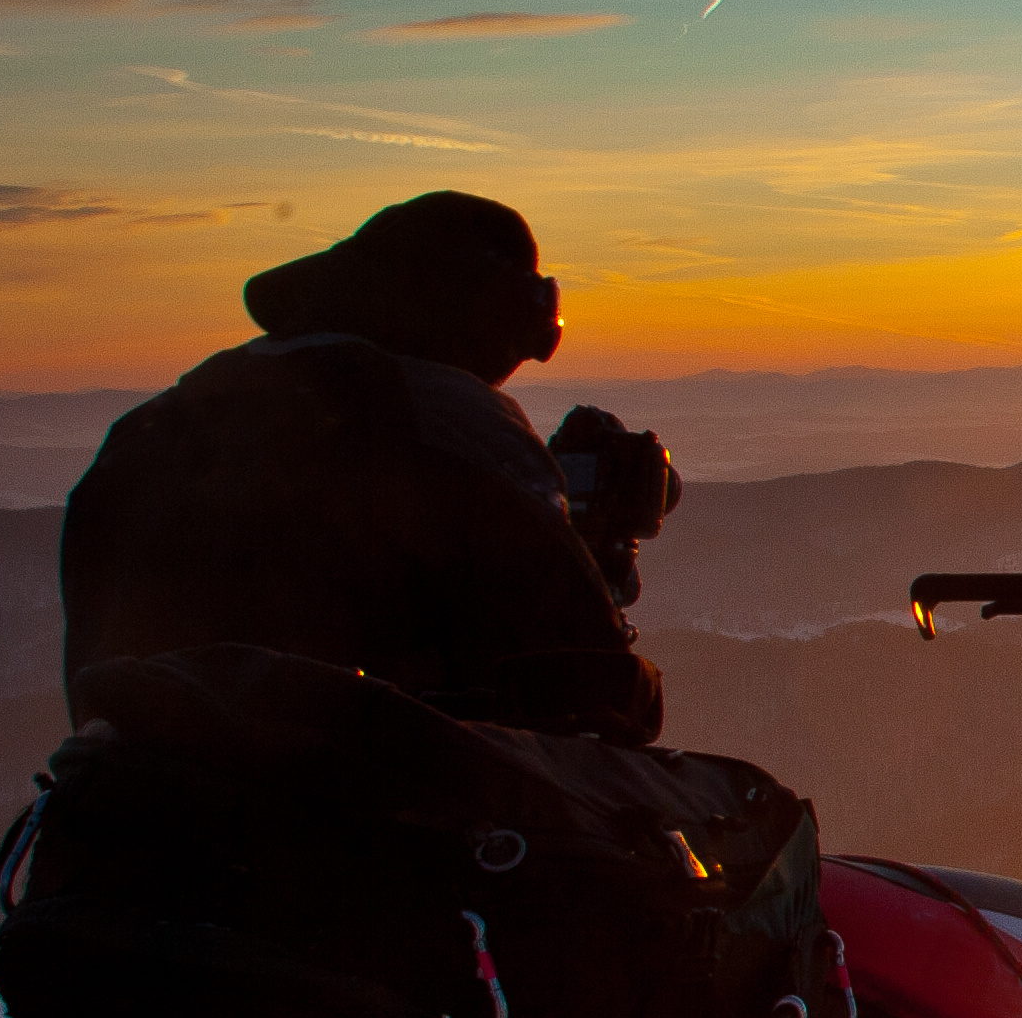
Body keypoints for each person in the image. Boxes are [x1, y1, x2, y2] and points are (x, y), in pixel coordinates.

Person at [58, 193, 678, 745]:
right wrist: (593, 569)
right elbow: (591, 690)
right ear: (475, 316)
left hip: (126, 821)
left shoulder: (155, 424)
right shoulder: (441, 418)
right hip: (349, 835)